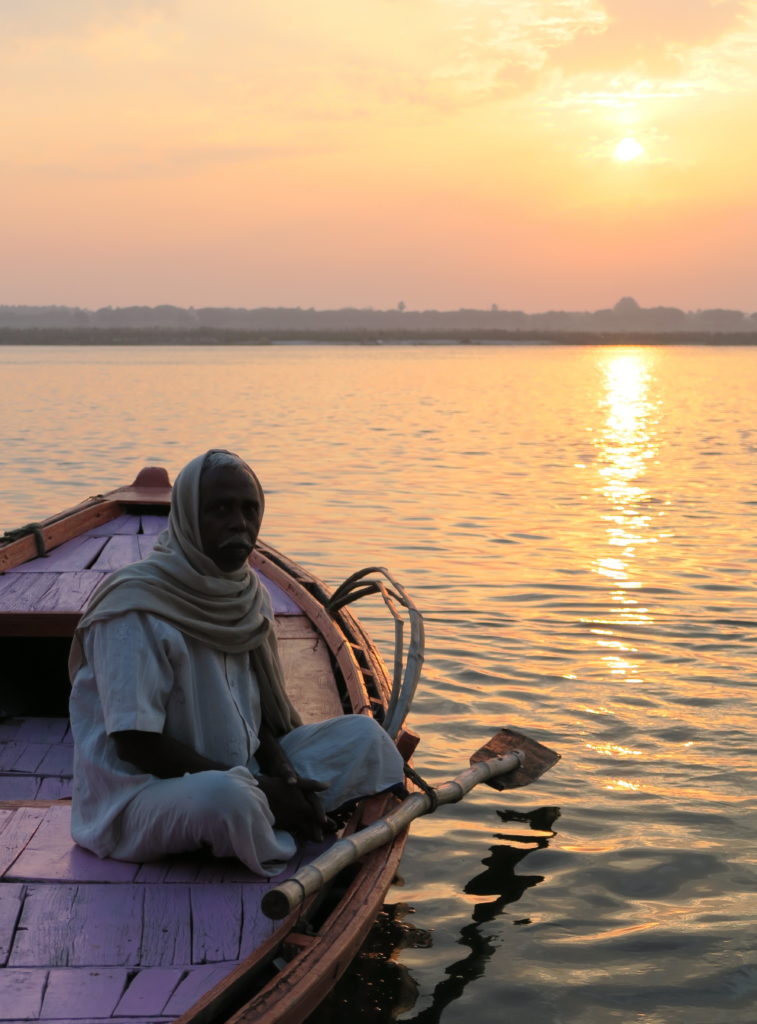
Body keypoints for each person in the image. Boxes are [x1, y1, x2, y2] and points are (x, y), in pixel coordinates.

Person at [68, 449, 405, 876]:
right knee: (229, 799)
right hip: (142, 798)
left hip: (242, 769)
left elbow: (254, 714)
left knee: (363, 737)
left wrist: (282, 774)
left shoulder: (246, 595)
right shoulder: (134, 608)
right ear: (190, 517)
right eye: (220, 509)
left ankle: (279, 813)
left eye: (250, 510)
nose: (239, 523)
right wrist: (264, 791)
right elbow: (135, 743)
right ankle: (281, 821)